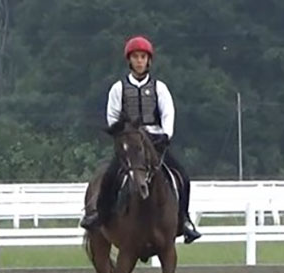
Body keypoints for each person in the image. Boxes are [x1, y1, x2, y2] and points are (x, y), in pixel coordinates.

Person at [80, 35, 201, 244]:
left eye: (143, 57)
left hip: (154, 142)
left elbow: (168, 113)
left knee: (182, 176)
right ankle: (100, 214)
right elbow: (112, 115)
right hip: (130, 144)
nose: (139, 61)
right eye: (135, 57)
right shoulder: (118, 88)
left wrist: (166, 135)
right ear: (129, 60)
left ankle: (184, 220)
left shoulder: (159, 88)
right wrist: (122, 134)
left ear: (148, 60)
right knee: (109, 176)